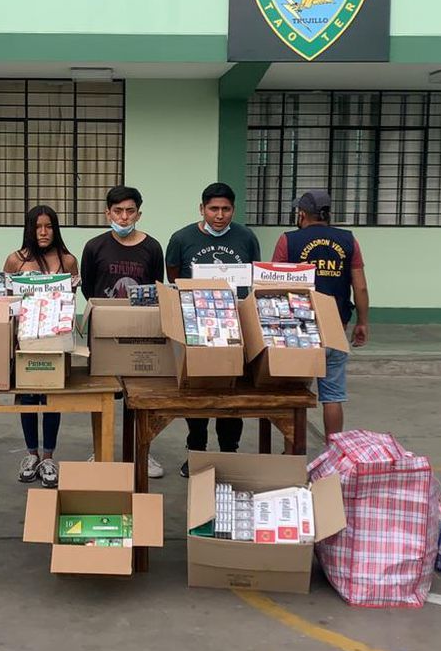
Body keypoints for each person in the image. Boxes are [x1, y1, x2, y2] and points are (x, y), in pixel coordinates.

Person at [165, 182, 262, 477]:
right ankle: (196, 452)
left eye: (226, 209)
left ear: (233, 209)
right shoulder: (182, 238)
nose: (220, 215)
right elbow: (174, 276)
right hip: (198, 326)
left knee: (232, 393)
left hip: (237, 326)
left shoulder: (246, 237)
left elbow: (254, 274)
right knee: (199, 392)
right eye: (213, 209)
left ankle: (228, 453)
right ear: (202, 209)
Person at [79, 185, 167, 478]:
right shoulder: (94, 246)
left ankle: (144, 452)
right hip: (104, 332)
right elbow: (89, 289)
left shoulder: (152, 247)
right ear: (108, 213)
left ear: (139, 214)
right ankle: (100, 449)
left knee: (140, 395)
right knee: (103, 393)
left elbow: (157, 288)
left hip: (141, 330)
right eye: (118, 211)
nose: (124, 217)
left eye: (130, 211)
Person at [271, 189, 370, 442]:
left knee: (295, 394)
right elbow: (360, 286)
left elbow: (273, 284)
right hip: (336, 326)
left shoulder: (288, 241)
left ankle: (293, 451)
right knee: (333, 397)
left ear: (301, 214)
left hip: (298, 329)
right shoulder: (349, 241)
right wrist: (362, 322)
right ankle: (333, 453)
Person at [3, 205, 80, 488]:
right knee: (27, 397)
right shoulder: (15, 261)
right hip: (23, 340)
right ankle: (31, 455)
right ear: (29, 229)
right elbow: (7, 302)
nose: (44, 232)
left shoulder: (68, 261)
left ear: (55, 229)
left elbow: (70, 303)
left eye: (48, 226)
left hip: (54, 343)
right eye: (38, 227)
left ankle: (49, 457)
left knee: (49, 399)